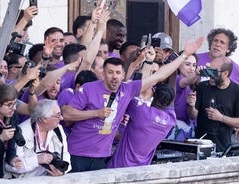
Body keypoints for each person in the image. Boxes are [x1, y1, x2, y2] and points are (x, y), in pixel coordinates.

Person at [62, 36, 203, 172]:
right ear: (103, 74)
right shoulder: (89, 88)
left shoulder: (127, 90)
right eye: (110, 72)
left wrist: (184, 55)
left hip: (101, 155)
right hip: (78, 152)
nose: (114, 76)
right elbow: (67, 114)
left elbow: (158, 76)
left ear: (123, 75)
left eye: (118, 73)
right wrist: (96, 113)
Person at [188, 57, 239, 152]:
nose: (210, 75)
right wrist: (192, 106)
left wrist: (221, 117)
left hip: (224, 147)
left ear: (225, 73)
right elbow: (192, 116)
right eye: (208, 70)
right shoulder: (202, 87)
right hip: (201, 145)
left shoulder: (238, 91)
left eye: (214, 71)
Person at [107, 84, 176, 168]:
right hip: (141, 170)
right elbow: (170, 106)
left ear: (154, 94)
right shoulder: (171, 121)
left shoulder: (141, 111)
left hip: (119, 165)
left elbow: (128, 92)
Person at [4, 99, 71, 177]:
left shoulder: (58, 129)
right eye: (58, 115)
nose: (62, 118)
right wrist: (37, 160)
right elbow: (9, 166)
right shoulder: (22, 132)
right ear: (44, 118)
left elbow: (65, 153)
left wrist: (62, 171)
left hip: (48, 182)